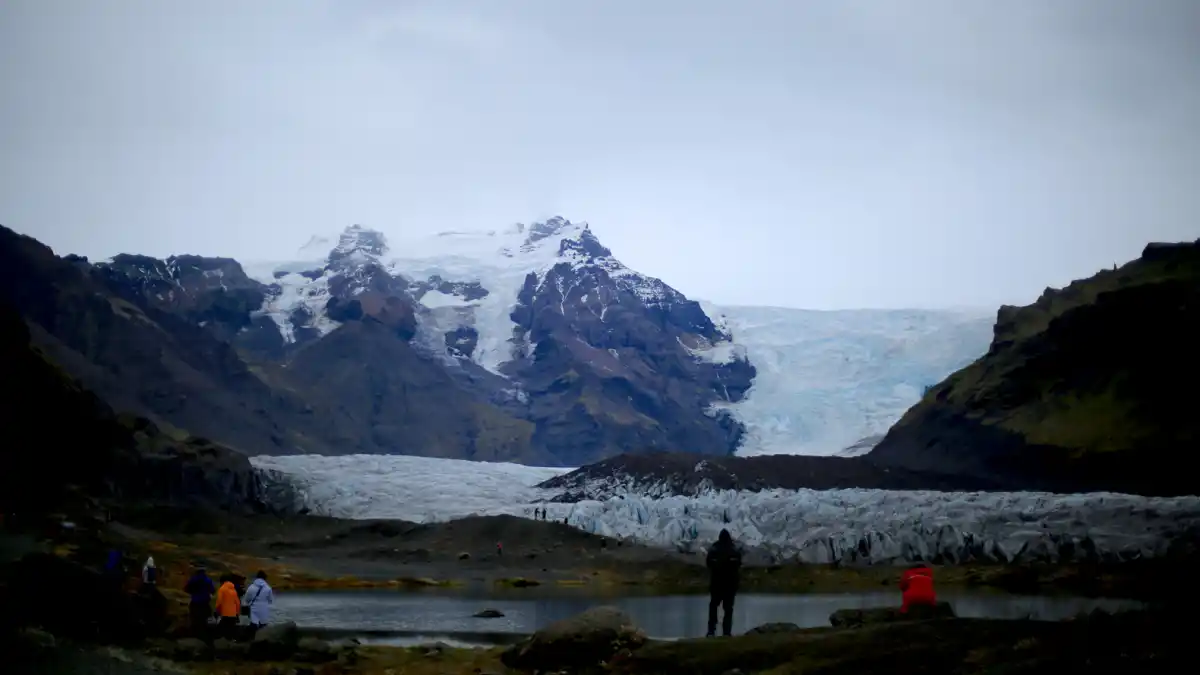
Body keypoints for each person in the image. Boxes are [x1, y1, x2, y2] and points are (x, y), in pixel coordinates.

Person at [706, 529, 742, 637]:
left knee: (713, 606)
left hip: (716, 584)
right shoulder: (734, 550)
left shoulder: (713, 549)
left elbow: (708, 564)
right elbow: (738, 565)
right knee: (728, 609)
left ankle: (711, 631)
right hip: (730, 585)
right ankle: (727, 632)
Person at [184, 565, 216, 637]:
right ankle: (205, 635)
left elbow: (187, 589)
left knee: (195, 619)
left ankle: (195, 634)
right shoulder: (208, 580)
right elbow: (213, 590)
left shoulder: (193, 579)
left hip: (195, 603)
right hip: (205, 603)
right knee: (205, 620)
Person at [215, 574, 241, 639]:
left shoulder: (222, 589)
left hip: (224, 614)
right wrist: (237, 613)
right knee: (231, 632)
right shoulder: (233, 590)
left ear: (222, 581)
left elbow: (219, 602)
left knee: (222, 632)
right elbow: (237, 603)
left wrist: (217, 611)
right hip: (233, 614)